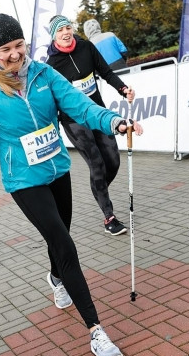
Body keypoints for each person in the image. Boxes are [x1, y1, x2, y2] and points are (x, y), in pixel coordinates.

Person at [0, 14, 144, 356]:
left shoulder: (44, 74)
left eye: (18, 46)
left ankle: (56, 276)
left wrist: (114, 120)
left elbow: (80, 106)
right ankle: (96, 331)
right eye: (4, 50)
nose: (14, 55)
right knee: (63, 242)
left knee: (62, 237)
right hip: (24, 181)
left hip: (57, 169)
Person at [46, 14, 136, 236]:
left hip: (97, 113)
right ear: (54, 37)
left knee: (112, 162)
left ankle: (99, 188)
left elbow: (105, 72)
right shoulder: (51, 65)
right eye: (60, 30)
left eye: (67, 27)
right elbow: (51, 99)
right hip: (73, 120)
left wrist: (123, 89)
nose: (66, 33)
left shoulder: (86, 47)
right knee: (96, 163)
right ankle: (109, 217)